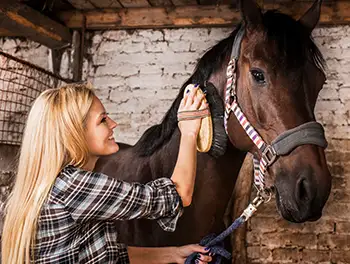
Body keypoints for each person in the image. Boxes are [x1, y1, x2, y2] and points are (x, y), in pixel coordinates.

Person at [1, 83, 213, 264]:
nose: (113, 124)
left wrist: (174, 254)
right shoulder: (74, 186)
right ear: (75, 133)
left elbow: (107, 254)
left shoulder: (53, 185)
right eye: (102, 120)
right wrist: (189, 131)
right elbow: (177, 195)